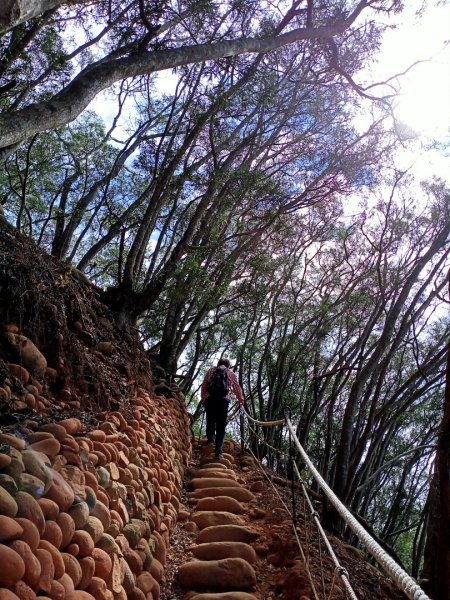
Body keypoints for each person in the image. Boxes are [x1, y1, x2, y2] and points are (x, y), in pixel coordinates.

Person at [201, 358, 244, 459]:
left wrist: (204, 398)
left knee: (210, 421)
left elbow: (204, 385)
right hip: (223, 400)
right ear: (228, 365)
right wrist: (241, 400)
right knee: (221, 425)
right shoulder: (230, 372)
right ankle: (218, 452)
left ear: (218, 364)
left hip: (210, 399)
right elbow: (236, 387)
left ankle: (211, 441)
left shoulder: (211, 370)